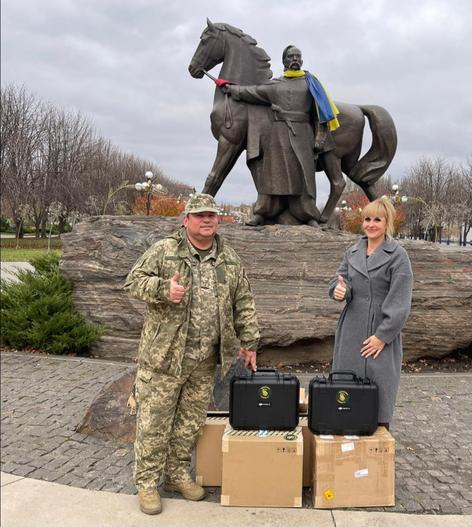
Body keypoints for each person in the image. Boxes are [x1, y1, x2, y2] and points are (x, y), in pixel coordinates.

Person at [124, 193, 260, 515]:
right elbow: (133, 282)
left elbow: (243, 301)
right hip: (166, 356)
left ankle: (176, 475)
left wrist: (250, 341)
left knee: (189, 422)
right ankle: (147, 483)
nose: (206, 220)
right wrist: (163, 289)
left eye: (211, 215)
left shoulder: (229, 259)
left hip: (205, 360)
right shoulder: (165, 250)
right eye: (199, 215)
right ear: (186, 220)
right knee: (154, 422)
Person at [223, 45, 340, 226]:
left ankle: (308, 215)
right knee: (271, 175)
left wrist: (320, 138)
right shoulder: (275, 85)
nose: (295, 59)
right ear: (284, 61)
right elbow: (252, 91)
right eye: (291, 56)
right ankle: (263, 213)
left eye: (298, 56)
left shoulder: (311, 84)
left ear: (302, 60)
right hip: (278, 135)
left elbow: (321, 114)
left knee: (304, 177)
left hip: (303, 135)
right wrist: (232, 89)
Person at [329, 197, 413, 429]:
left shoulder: (398, 256)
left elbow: (401, 302)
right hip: (351, 331)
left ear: (387, 223)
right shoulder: (352, 251)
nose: (371, 224)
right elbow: (339, 281)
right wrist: (339, 291)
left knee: (379, 392)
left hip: (381, 332)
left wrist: (382, 337)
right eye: (367, 219)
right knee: (346, 389)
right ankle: (345, 434)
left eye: (377, 219)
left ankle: (378, 440)